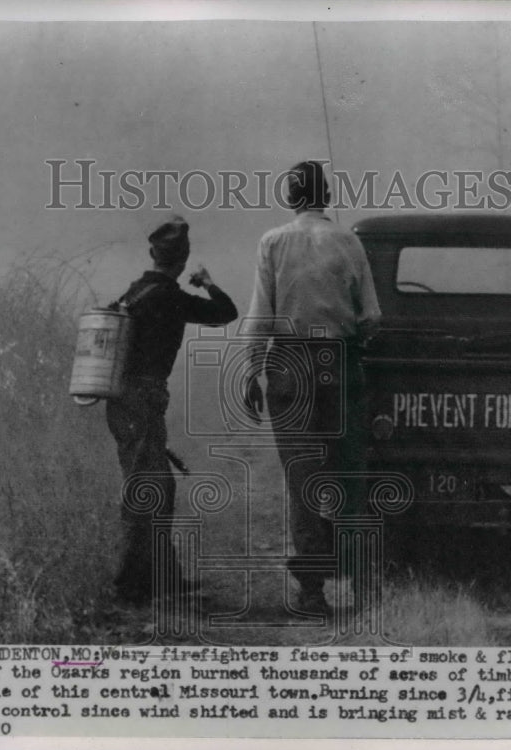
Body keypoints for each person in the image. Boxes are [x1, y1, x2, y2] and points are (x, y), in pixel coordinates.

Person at [242, 160, 382, 615]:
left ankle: (313, 593)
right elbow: (371, 318)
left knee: (303, 482)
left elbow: (260, 318)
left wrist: (250, 371)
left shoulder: (273, 242)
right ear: (325, 196)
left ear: (290, 197)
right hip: (341, 365)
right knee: (352, 480)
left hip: (289, 366)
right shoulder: (349, 240)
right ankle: (365, 590)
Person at [107, 214, 238, 606]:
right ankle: (129, 588)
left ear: (152, 254)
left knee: (156, 488)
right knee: (146, 490)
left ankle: (162, 578)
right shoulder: (172, 297)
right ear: (183, 260)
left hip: (125, 403)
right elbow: (226, 312)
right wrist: (209, 282)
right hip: (141, 402)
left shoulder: (133, 292)